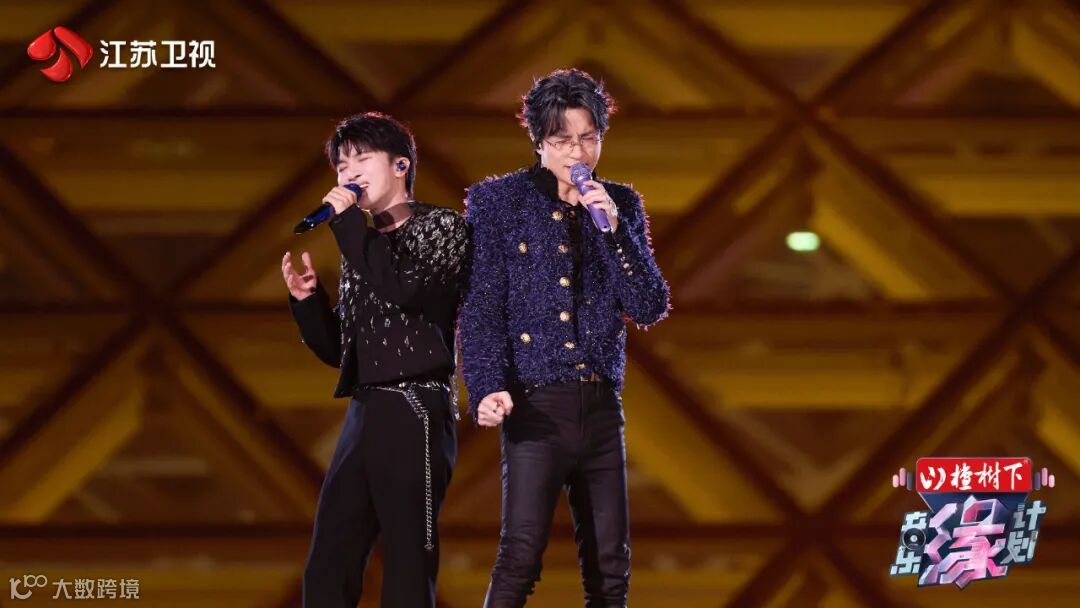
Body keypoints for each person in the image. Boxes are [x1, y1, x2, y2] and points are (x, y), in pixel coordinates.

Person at [460, 68, 671, 607]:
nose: (578, 152)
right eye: (563, 140)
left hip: (600, 404)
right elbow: (482, 307)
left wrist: (614, 231)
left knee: (610, 567)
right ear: (538, 140)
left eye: (588, 138)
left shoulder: (620, 203)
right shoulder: (498, 202)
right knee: (521, 555)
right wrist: (485, 386)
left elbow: (649, 304)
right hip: (535, 405)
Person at [282, 111, 468, 608]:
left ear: (401, 165)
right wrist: (308, 303)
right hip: (363, 411)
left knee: (407, 558)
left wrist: (347, 224)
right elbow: (343, 351)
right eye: (341, 165)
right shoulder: (362, 245)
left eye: (361, 159)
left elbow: (405, 289)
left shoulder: (442, 226)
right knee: (329, 560)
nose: (348, 173)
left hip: (415, 407)